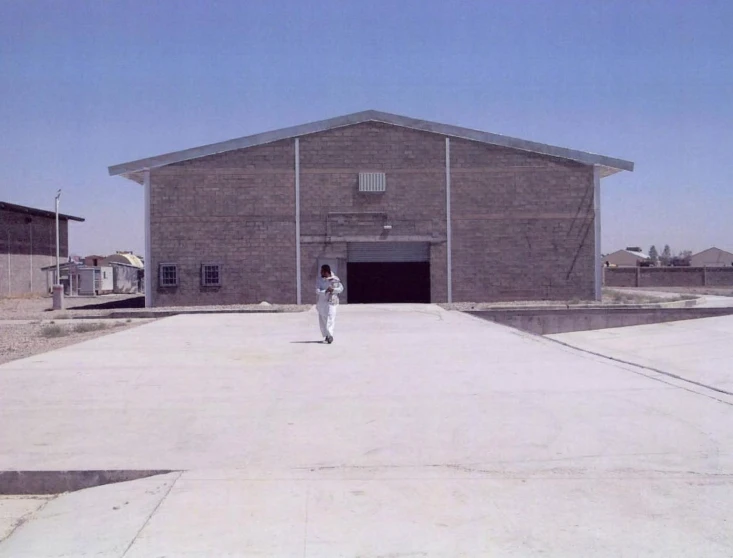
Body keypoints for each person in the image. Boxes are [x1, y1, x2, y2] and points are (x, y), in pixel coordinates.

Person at [316, 264, 344, 344]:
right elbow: (317, 290)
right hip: (322, 303)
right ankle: (327, 336)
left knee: (330, 318)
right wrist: (326, 291)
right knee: (323, 320)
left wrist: (333, 290)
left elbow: (341, 289)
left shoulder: (335, 279)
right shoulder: (319, 280)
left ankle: (330, 335)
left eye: (322, 271)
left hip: (332, 302)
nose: (321, 272)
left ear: (326, 272)